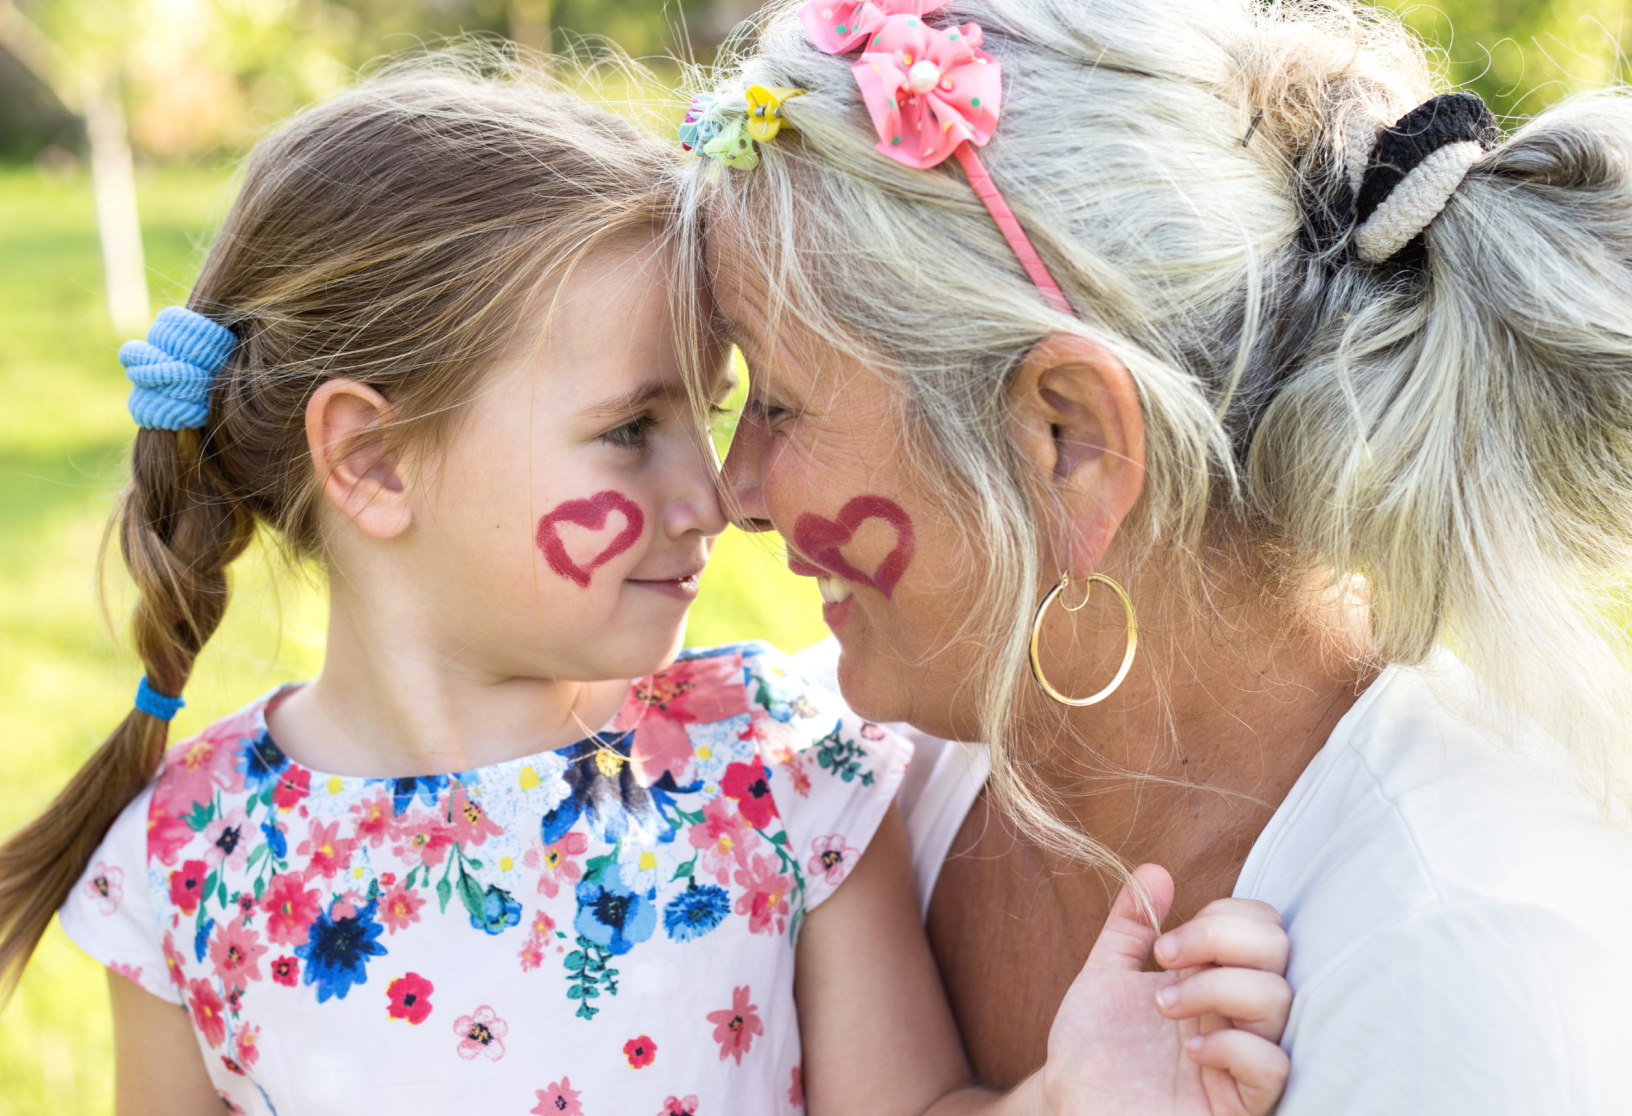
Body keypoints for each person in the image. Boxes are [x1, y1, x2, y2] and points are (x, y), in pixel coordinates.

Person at [0, 66, 1294, 1116]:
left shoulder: (771, 773)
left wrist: (1076, 1099)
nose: (716, 495)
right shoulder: (189, 864)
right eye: (631, 429)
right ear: (374, 462)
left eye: (713, 414)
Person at [681, 0, 1632, 1110]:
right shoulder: (832, 788)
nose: (734, 492)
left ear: (1068, 441)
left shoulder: (1464, 975)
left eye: (777, 402)